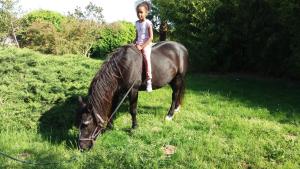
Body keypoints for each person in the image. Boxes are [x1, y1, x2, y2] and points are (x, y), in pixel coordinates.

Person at [134, 1, 153, 92]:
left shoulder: (148, 23)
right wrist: (134, 43)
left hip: (146, 44)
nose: (139, 14)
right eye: (138, 12)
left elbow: (151, 38)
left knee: (146, 58)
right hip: (138, 44)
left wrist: (142, 47)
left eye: (141, 12)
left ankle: (149, 81)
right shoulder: (136, 23)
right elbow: (137, 36)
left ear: (146, 13)